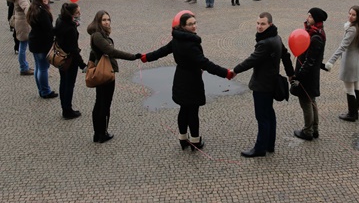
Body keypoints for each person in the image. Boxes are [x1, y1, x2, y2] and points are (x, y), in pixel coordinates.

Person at [139, 13, 234, 151]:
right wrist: (225, 73)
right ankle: (195, 140)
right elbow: (205, 63)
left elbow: (162, 52)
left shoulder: (177, 39)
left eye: (195, 23)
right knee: (193, 111)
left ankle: (183, 139)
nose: (194, 26)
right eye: (190, 24)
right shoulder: (190, 44)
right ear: (183, 26)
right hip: (192, 80)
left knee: (184, 109)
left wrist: (146, 57)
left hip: (180, 78)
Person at [233, 12, 294, 157]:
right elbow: (286, 56)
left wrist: (234, 70)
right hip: (271, 82)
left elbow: (251, 60)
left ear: (270, 25)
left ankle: (260, 148)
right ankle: (269, 144)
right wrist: (291, 73)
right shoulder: (276, 38)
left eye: (263, 24)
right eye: (258, 23)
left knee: (262, 117)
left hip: (262, 85)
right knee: (269, 114)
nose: (259, 27)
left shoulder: (265, 43)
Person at [87, 10, 140, 143]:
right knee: (104, 103)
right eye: (104, 20)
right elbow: (110, 51)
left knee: (100, 102)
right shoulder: (98, 35)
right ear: (98, 21)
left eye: (108, 19)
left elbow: (93, 53)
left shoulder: (98, 34)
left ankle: (98, 133)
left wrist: (89, 65)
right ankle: (101, 133)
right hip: (105, 72)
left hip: (102, 70)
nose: (107, 22)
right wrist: (132, 56)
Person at [325, 6, 359, 122]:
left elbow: (342, 47)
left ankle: (352, 114)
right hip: (358, 60)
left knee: (350, 89)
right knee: (356, 87)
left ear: (358, 16)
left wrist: (331, 61)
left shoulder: (352, 29)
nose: (350, 16)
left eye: (353, 14)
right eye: (349, 13)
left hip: (350, 62)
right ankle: (355, 112)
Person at [292, 8, 327, 141]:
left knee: (306, 102)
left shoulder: (316, 37)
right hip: (310, 74)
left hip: (308, 75)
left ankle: (307, 131)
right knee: (312, 101)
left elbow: (310, 60)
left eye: (310, 16)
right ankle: (314, 129)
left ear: (316, 19)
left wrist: (299, 76)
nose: (307, 18)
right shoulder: (315, 33)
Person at [54, 3, 86, 119]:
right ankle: (67, 109)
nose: (79, 14)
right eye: (77, 12)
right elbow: (73, 50)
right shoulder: (70, 28)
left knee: (63, 82)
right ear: (72, 14)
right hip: (69, 60)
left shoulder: (60, 20)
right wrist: (82, 65)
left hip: (61, 57)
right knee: (69, 85)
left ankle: (65, 107)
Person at [26, 0, 58, 99]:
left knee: (38, 67)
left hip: (35, 42)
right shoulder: (42, 12)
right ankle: (45, 91)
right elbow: (48, 29)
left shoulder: (33, 9)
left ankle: (41, 89)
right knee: (43, 68)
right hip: (42, 44)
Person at [6, 0, 33, 76]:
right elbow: (26, 8)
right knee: (23, 46)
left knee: (23, 45)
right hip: (24, 24)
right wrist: (32, 17)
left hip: (20, 22)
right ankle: (24, 67)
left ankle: (24, 66)